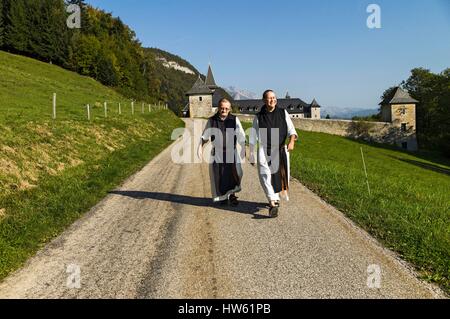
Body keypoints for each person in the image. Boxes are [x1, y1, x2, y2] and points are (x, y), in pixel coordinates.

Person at [249, 90, 298, 217]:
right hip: (264, 150)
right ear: (264, 100)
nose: (273, 100)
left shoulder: (283, 112)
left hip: (281, 149)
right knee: (265, 175)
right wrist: (251, 153)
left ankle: (275, 199)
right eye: (270, 98)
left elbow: (291, 130)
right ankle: (272, 202)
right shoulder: (258, 117)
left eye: (274, 97)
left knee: (279, 177)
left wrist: (292, 141)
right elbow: (253, 136)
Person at [198, 98, 246, 206]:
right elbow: (204, 137)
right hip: (217, 153)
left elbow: (241, 135)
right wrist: (199, 148)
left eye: (226, 108)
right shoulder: (212, 121)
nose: (224, 110)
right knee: (219, 175)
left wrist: (243, 148)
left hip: (231, 152)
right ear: (218, 108)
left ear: (229, 109)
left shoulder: (234, 119)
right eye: (222, 108)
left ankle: (232, 192)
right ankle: (224, 197)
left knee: (237, 173)